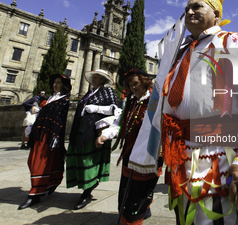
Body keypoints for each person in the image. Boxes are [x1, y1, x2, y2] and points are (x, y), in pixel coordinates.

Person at [129, 0, 238, 224]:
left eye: (197, 7)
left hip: (217, 153)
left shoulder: (233, 42)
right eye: (187, 9)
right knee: (183, 216)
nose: (189, 12)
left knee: (215, 216)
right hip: (179, 155)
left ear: (216, 15)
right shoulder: (178, 53)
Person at [96, 67, 162, 224]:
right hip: (129, 153)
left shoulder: (154, 102)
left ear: (145, 82)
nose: (133, 87)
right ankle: (129, 215)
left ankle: (135, 218)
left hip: (148, 154)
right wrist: (106, 135)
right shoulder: (131, 103)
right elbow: (120, 123)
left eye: (136, 83)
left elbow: (163, 126)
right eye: (130, 84)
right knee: (127, 189)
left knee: (140, 192)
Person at [66, 69, 118, 210]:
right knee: (79, 159)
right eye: (93, 77)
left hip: (95, 132)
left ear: (103, 79)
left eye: (97, 77)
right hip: (81, 130)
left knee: (88, 160)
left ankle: (87, 192)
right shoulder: (89, 93)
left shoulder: (108, 92)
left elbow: (115, 110)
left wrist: (96, 109)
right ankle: (85, 187)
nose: (93, 79)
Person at [18, 74, 71, 210]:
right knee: (32, 161)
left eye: (58, 83)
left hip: (49, 135)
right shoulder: (49, 99)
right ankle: (50, 183)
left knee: (39, 163)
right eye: (54, 82)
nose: (55, 85)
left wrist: (56, 136)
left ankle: (35, 194)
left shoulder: (63, 100)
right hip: (40, 134)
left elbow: (60, 120)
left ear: (64, 86)